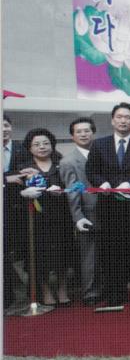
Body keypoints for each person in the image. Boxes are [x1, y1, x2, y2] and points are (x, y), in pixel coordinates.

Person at [85, 103, 130, 307]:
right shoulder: (99, 144)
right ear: (112, 120)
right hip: (109, 206)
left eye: (128, 117)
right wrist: (102, 183)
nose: (123, 120)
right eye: (120, 117)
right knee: (112, 250)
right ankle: (116, 292)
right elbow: (92, 170)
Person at [19, 128, 76, 306]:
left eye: (46, 143)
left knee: (63, 253)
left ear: (52, 145)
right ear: (29, 148)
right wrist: (24, 192)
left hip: (61, 216)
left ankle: (62, 288)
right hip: (35, 219)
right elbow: (15, 191)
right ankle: (45, 290)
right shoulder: (24, 167)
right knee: (39, 255)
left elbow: (74, 186)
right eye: (36, 144)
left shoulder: (62, 163)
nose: (42, 147)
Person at [60, 117, 101, 305]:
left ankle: (105, 287)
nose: (84, 134)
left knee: (105, 252)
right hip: (87, 211)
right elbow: (71, 191)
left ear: (93, 133)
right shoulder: (69, 161)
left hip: (108, 209)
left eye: (87, 131)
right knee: (89, 255)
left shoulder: (101, 152)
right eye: (79, 131)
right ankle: (90, 292)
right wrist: (78, 216)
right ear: (72, 136)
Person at [4, 117, 34, 308]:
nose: (3, 129)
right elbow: (12, 177)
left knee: (25, 252)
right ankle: (6, 299)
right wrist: (7, 179)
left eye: (6, 125)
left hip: (19, 209)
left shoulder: (21, 149)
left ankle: (28, 296)